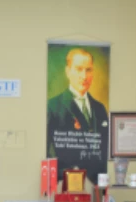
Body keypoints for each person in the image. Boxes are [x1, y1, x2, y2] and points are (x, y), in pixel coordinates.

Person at [46, 47, 109, 177]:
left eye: (88, 70)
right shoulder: (52, 107)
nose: (84, 76)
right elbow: (49, 152)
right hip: (65, 181)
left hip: (96, 181)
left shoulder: (100, 109)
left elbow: (104, 150)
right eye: (79, 69)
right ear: (68, 71)